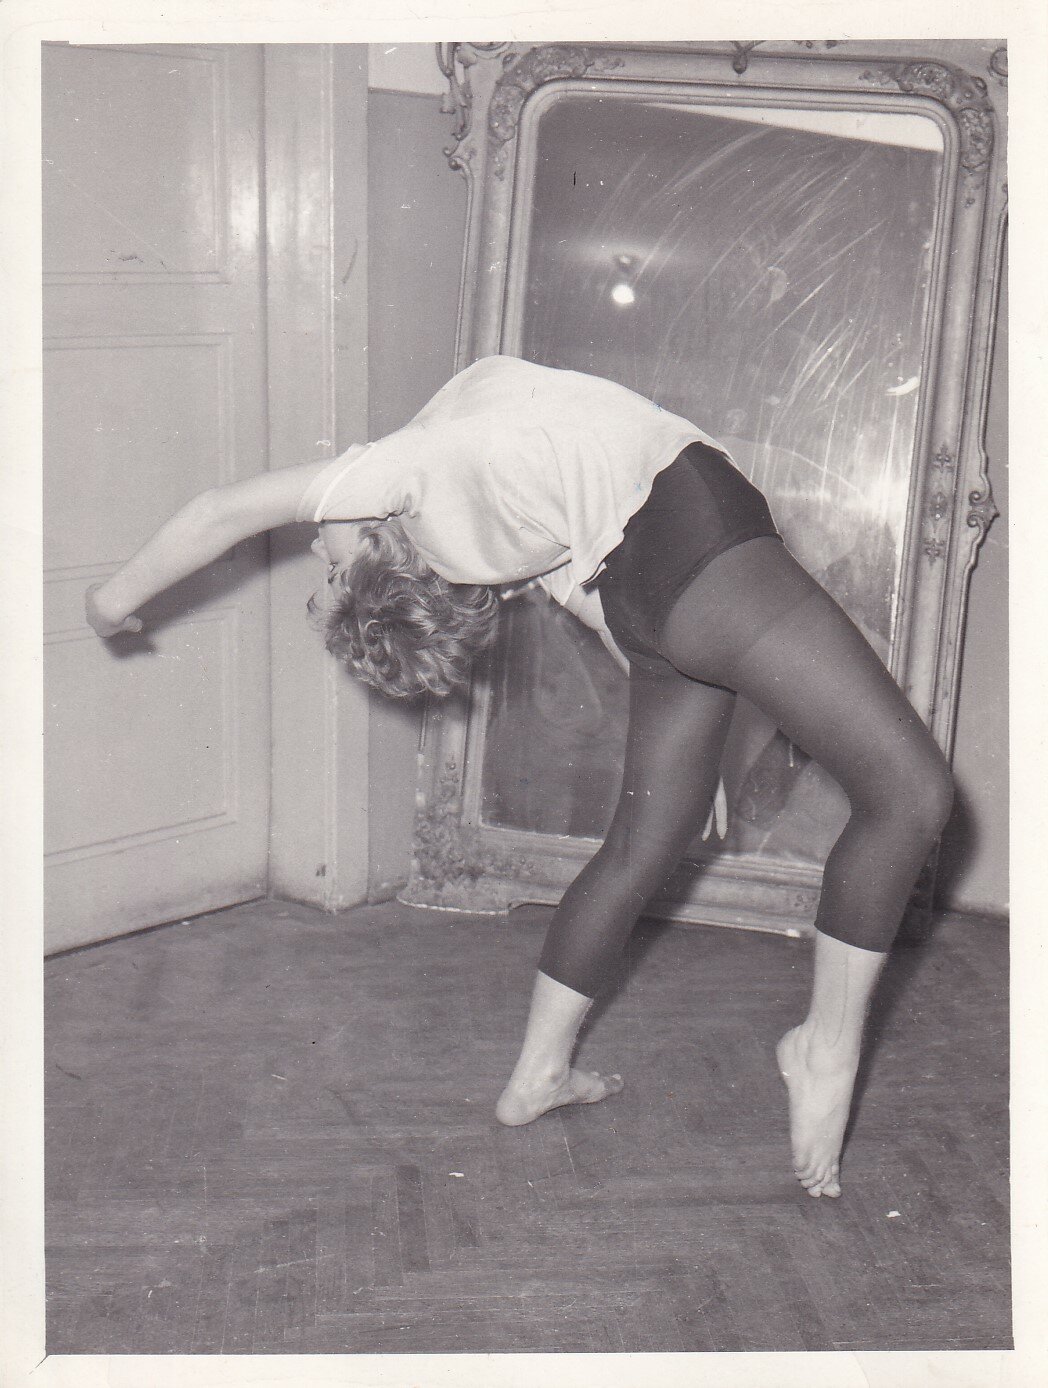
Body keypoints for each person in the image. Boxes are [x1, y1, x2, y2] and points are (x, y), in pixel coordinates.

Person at [86, 354, 953, 1200]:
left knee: (638, 850)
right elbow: (218, 513)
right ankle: (824, 1047)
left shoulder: (476, 535)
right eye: (337, 561)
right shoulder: (400, 474)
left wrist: (698, 718)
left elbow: (600, 602)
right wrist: (110, 601)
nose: (319, 541)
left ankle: (539, 1074)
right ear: (383, 546)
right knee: (910, 797)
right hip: (695, 535)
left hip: (647, 600)